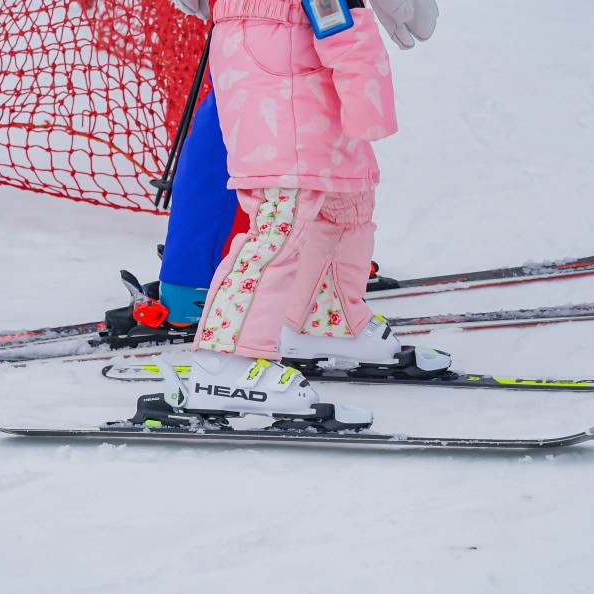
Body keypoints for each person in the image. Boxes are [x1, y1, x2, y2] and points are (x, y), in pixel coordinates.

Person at [153, 0, 442, 426]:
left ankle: (326, 319)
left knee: (348, 200)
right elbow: (345, 30)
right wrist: (371, 108)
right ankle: (226, 360)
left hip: (300, 76)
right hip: (282, 83)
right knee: (280, 220)